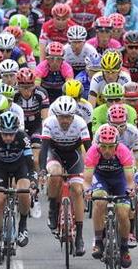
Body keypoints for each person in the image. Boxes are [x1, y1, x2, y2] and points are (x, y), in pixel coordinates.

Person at [41, 96, 91, 256]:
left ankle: (80, 237)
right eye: (61, 116)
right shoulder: (49, 123)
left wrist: (91, 172)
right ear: (56, 115)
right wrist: (42, 170)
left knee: (77, 190)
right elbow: (44, 149)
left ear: (73, 115)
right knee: (55, 174)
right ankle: (53, 208)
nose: (65, 120)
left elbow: (89, 149)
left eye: (68, 116)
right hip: (54, 154)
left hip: (73, 156)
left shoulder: (80, 123)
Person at [0, 112, 34, 263]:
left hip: (20, 166)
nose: (7, 137)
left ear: (16, 131)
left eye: (11, 134)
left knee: (23, 192)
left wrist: (33, 181)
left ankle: (23, 226)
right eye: (4, 134)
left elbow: (29, 160)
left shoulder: (22, 137)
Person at [84, 125, 134, 267]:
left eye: (110, 146)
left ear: (116, 145)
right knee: (99, 201)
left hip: (120, 180)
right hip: (101, 179)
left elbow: (129, 179)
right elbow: (87, 179)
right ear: (98, 144)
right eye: (103, 146)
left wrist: (131, 189)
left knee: (123, 212)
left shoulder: (123, 151)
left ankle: (124, 248)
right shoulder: (93, 151)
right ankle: (98, 241)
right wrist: (87, 191)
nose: (106, 151)